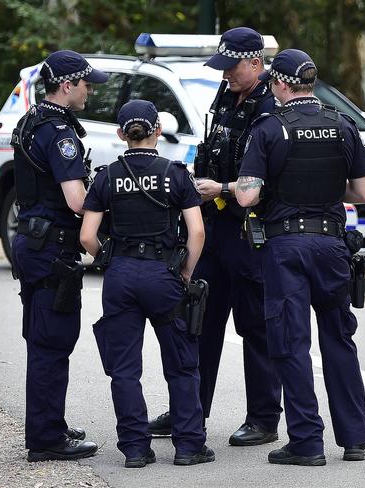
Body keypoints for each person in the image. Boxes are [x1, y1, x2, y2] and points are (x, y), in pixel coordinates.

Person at [236, 49, 365, 466]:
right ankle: (354, 440)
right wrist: (329, 192)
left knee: (290, 344)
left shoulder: (269, 128)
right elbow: (364, 193)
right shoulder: (343, 125)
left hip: (286, 249)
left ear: (279, 83)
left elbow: (246, 195)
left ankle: (307, 443)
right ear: (310, 82)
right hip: (333, 246)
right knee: (339, 341)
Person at [148, 26, 282, 447]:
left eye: (232, 66)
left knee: (256, 326)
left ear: (255, 63)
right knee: (198, 320)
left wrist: (223, 190)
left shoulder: (273, 107)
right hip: (216, 227)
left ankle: (262, 418)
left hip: (250, 230)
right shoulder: (226, 97)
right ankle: (190, 411)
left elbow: (276, 180)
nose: (224, 74)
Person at [80, 100, 214, 467]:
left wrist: (110, 259)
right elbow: (197, 231)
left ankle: (136, 449)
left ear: (121, 134)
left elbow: (88, 236)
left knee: (124, 368)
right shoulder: (176, 173)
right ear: (157, 130)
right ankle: (189, 447)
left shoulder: (107, 176)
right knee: (182, 364)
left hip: (121, 275)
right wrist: (185, 272)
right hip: (164, 276)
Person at [10, 50, 109, 462]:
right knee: (53, 341)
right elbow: (75, 200)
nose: (90, 91)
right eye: (87, 84)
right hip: (52, 246)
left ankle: (49, 423)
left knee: (41, 337)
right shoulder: (59, 132)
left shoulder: (30, 121)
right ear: (67, 84)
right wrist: (109, 203)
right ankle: (48, 438)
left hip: (31, 242)